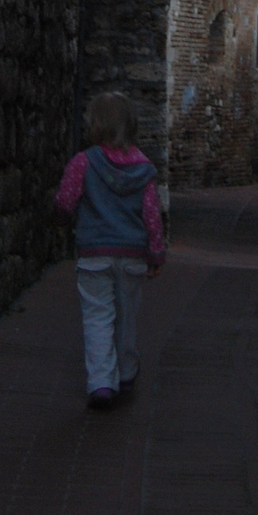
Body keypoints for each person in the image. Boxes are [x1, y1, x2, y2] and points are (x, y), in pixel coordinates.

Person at [55, 91, 165, 409]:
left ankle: (102, 381)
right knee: (128, 315)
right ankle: (127, 371)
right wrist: (155, 254)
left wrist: (62, 217)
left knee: (98, 315)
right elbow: (152, 217)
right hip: (131, 255)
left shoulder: (83, 163)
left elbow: (65, 201)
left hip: (94, 253)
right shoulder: (145, 170)